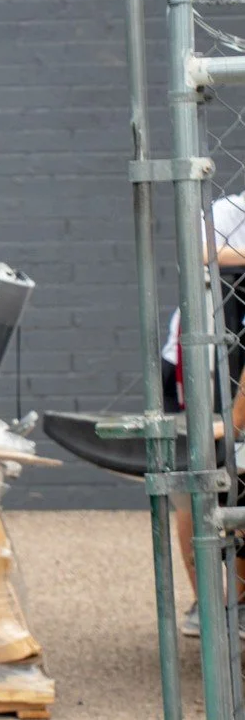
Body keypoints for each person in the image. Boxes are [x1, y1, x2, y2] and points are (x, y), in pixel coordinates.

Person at [161, 189, 245, 637]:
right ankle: (208, 605)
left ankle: (235, 603)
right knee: (194, 477)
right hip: (202, 359)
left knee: (236, 482)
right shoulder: (231, 210)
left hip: (235, 364)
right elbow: (195, 251)